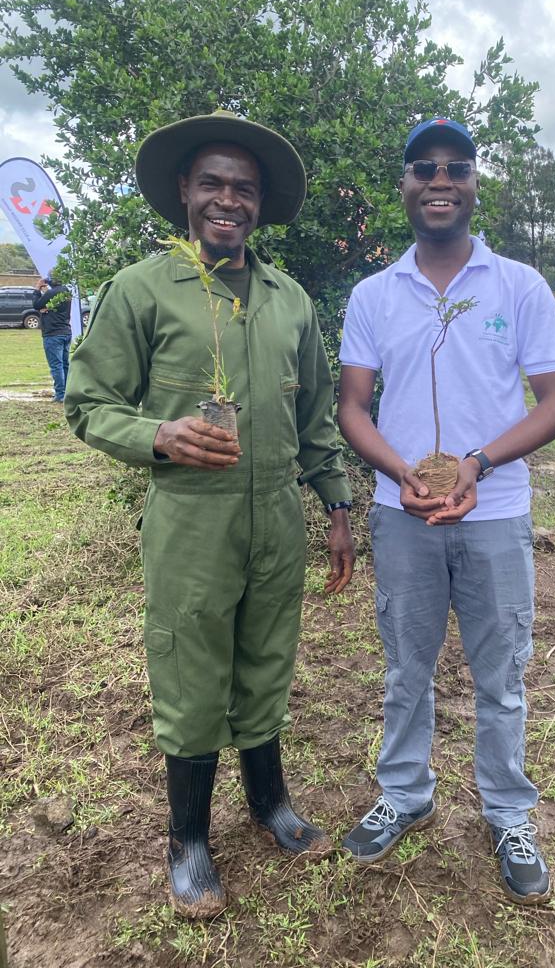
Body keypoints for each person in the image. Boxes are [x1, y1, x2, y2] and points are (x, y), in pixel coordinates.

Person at [65, 111, 355, 918]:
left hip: (276, 517)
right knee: (193, 670)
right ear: (185, 193)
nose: (228, 199)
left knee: (266, 658)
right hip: (191, 519)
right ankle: (187, 836)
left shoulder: (290, 301)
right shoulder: (140, 290)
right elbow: (87, 403)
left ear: (259, 205)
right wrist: (157, 433)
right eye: (213, 183)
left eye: (245, 188)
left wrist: (336, 506)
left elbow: (317, 421)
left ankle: (270, 804)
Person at [337, 117, 555, 904]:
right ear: (403, 186)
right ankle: (405, 794)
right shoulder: (375, 294)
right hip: (400, 514)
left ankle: (509, 813)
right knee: (407, 670)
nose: (440, 180)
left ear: (475, 185)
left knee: (500, 676)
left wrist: (477, 463)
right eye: (423, 168)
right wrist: (404, 472)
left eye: (456, 167)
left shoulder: (519, 286)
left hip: (496, 513)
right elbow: (352, 408)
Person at [33, 275, 72, 402]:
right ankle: (67, 392)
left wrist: (37, 289)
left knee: (56, 365)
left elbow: (36, 305)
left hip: (52, 333)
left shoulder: (52, 292)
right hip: (66, 331)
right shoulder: (66, 291)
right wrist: (47, 307)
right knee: (65, 364)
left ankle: (60, 395)